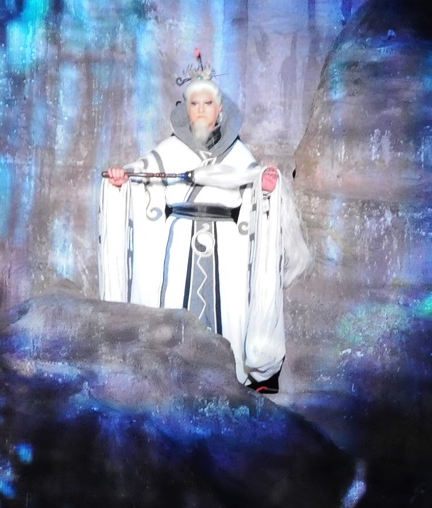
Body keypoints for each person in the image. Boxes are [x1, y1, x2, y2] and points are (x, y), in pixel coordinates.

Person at [98, 62, 309, 389]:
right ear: (186, 109)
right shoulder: (170, 151)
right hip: (181, 242)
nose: (200, 110)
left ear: (219, 110)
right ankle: (171, 377)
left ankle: (229, 380)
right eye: (194, 103)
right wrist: (120, 179)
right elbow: (140, 174)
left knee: (228, 314)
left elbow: (255, 187)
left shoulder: (238, 154)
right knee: (175, 313)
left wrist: (266, 186)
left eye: (207, 103)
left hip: (227, 246)